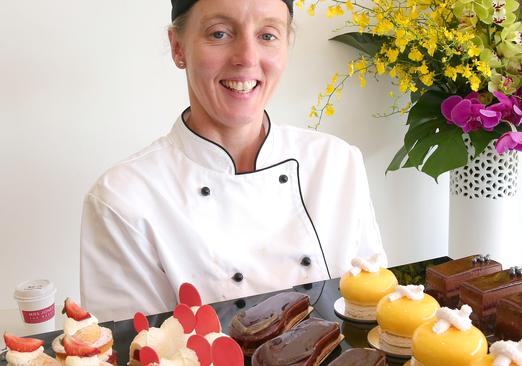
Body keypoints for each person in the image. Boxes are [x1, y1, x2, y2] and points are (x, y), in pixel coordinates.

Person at [80, 0, 385, 321]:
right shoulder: (123, 199)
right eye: (220, 33)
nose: (247, 58)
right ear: (178, 47)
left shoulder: (336, 163)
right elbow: (136, 348)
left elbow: (373, 317)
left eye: (267, 36)